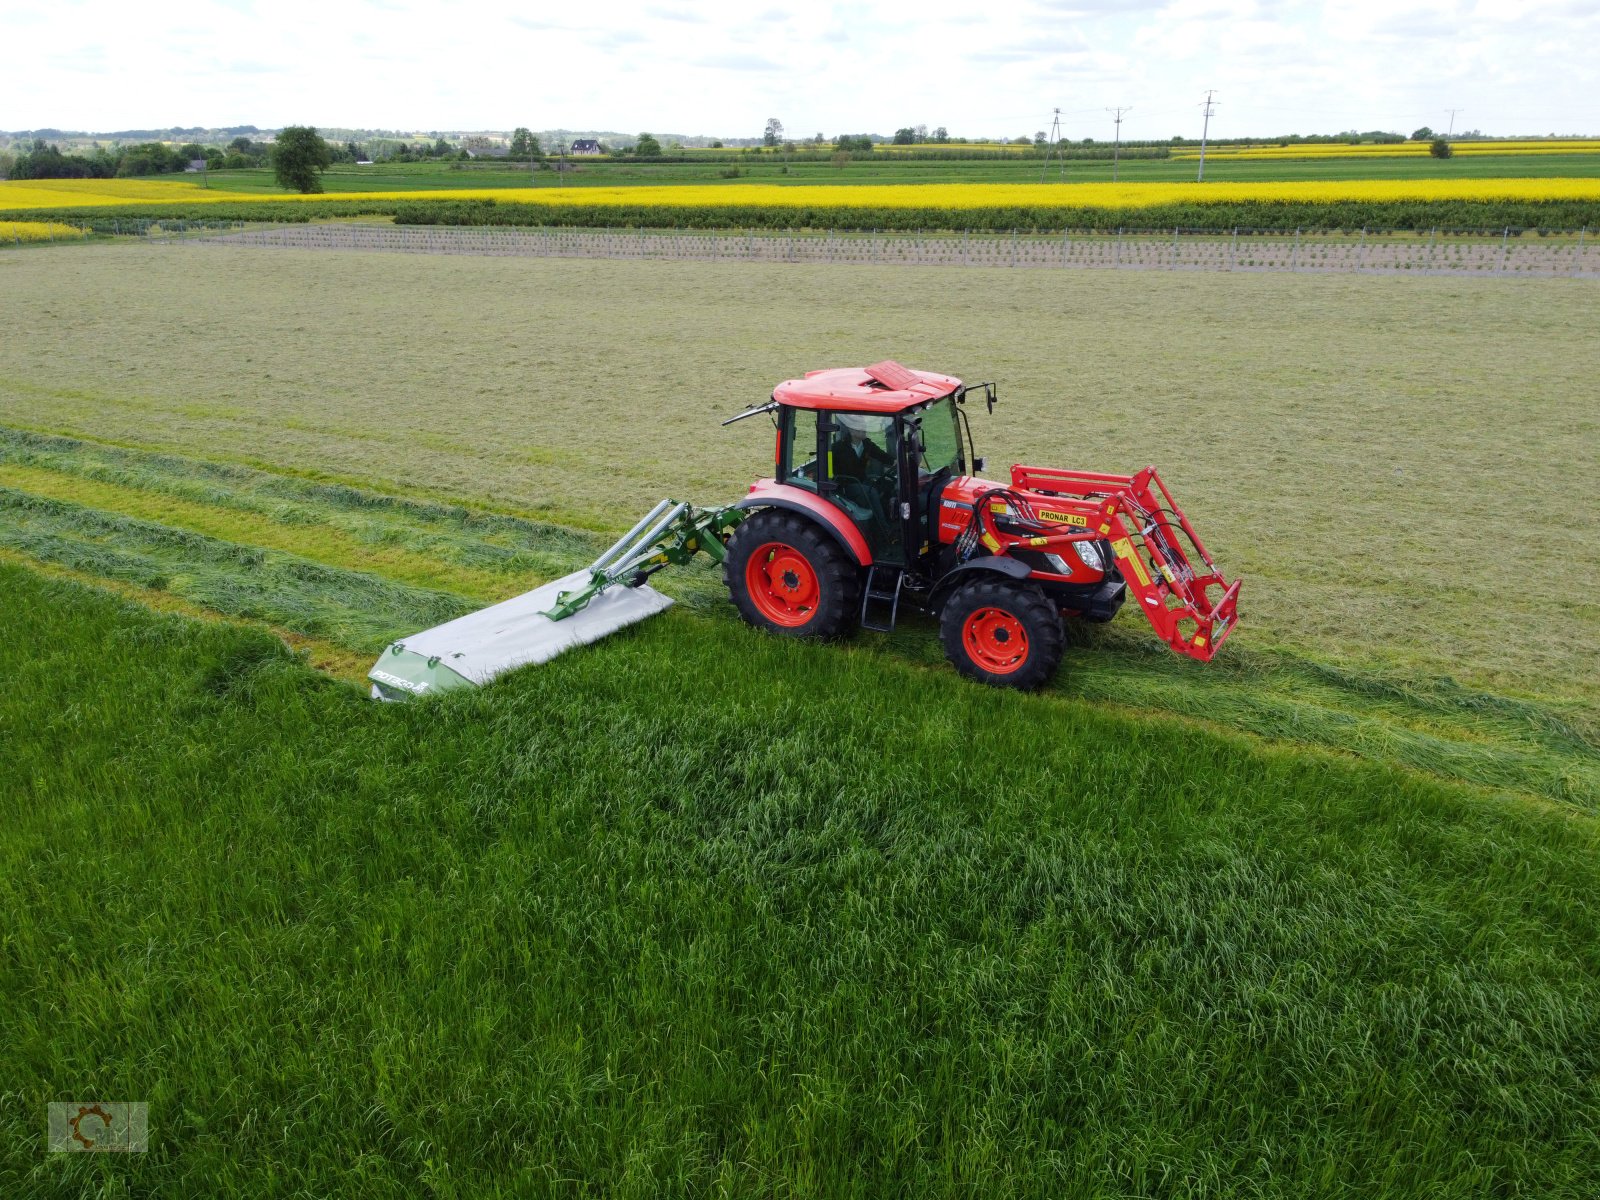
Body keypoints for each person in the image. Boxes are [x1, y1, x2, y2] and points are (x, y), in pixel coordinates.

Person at [831, 414, 896, 528]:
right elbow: (829, 470)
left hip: (862, 481)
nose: (864, 428)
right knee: (872, 492)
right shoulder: (837, 448)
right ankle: (884, 527)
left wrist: (896, 462)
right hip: (847, 485)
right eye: (860, 426)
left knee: (888, 485)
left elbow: (883, 456)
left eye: (864, 425)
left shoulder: (867, 444)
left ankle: (890, 519)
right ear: (851, 430)